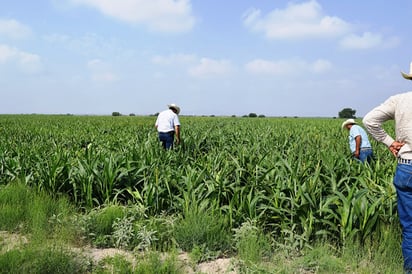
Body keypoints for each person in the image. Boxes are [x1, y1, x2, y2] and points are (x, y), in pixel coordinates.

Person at [363, 62, 412, 272]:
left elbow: (369, 120)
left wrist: (390, 142)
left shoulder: (400, 100)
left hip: (407, 166)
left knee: (410, 227)